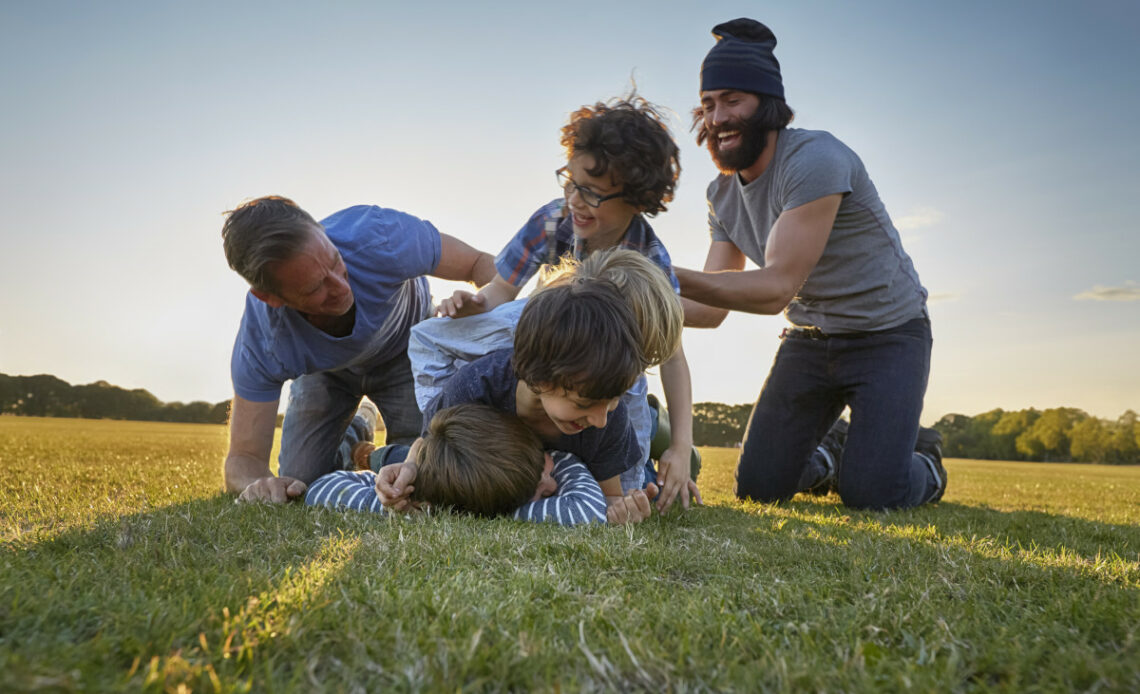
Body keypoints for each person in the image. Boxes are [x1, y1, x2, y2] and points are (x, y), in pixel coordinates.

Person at [675, 19, 946, 509]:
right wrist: (630, 297)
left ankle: (924, 459)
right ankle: (833, 449)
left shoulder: (817, 159)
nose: (717, 117)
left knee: (873, 495)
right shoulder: (721, 196)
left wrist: (659, 271)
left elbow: (776, 287)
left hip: (888, 334)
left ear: (768, 105)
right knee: (759, 488)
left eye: (733, 99)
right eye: (709, 103)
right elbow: (711, 304)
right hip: (810, 342)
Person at [437, 96, 698, 510]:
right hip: (559, 359)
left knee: (626, 475)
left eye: (592, 193)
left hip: (618, 380)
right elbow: (502, 289)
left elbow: (672, 357)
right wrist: (475, 301)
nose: (575, 200)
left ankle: (656, 446)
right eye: (571, 182)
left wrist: (682, 448)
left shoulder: (650, 260)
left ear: (637, 200)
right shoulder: (553, 220)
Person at [220, 195, 496, 503]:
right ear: (271, 298)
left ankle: (367, 452)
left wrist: (487, 307)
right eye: (315, 287)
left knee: (424, 469)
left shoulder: (378, 234)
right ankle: (356, 429)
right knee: (302, 482)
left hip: (410, 353)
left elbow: (481, 263)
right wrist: (258, 484)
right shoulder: (264, 338)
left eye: (336, 261)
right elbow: (244, 457)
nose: (341, 287)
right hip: (327, 375)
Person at [405, 249, 701, 512]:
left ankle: (672, 439)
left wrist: (643, 480)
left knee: (654, 461)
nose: (624, 362)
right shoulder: (516, 344)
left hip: (612, 432)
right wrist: (410, 468)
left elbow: (619, 481)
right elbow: (432, 436)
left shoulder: (614, 401)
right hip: (522, 425)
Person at [380, 278, 655, 524]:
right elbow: (429, 442)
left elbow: (610, 498)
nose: (601, 419)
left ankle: (658, 422)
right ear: (539, 378)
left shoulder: (610, 421)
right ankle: (368, 451)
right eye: (583, 404)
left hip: (594, 462)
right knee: (403, 457)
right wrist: (409, 470)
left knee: (652, 472)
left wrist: (623, 511)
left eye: (612, 401)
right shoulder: (472, 390)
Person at [306, 403, 608, 525]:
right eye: (541, 492)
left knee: (394, 457)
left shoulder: (503, 458)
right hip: (420, 465)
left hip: (417, 457)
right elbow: (587, 510)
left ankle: (364, 447)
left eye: (546, 466)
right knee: (385, 462)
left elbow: (322, 488)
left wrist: (550, 461)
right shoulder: (418, 503)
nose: (554, 484)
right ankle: (360, 438)